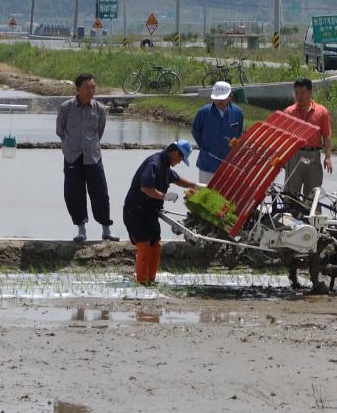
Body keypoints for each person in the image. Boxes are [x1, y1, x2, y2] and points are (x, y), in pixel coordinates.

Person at [123, 139, 199, 286]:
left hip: (150, 212)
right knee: (144, 248)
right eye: (181, 158)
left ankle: (151, 280)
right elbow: (145, 187)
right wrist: (165, 196)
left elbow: (176, 179)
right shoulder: (154, 164)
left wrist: (195, 185)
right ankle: (142, 283)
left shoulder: (164, 166)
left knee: (155, 247)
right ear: (175, 153)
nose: (180, 162)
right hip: (136, 212)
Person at [55, 73, 117, 242]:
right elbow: (60, 131)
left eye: (93, 87)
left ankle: (106, 230)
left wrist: (90, 145)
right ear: (77, 89)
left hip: (93, 157)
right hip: (72, 157)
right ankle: (81, 230)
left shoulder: (99, 109)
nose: (91, 91)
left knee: (100, 193)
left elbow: (100, 131)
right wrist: (70, 147)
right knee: (74, 194)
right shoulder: (65, 108)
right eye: (87, 87)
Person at [283, 78, 333, 202]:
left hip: (314, 156)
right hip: (294, 155)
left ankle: (311, 220)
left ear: (311, 92)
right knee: (290, 194)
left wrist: (327, 157)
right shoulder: (289, 112)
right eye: (296, 93)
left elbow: (326, 136)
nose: (299, 96)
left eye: (303, 92)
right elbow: (283, 137)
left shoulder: (322, 112)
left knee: (313, 195)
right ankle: (288, 219)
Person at [191, 81, 245, 184]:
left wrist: (236, 142)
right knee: (205, 193)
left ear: (230, 96)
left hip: (229, 163)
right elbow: (195, 131)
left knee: (226, 195)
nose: (219, 101)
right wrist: (205, 147)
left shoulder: (238, 113)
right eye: (217, 98)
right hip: (207, 163)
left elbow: (239, 134)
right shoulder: (203, 112)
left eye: (223, 98)